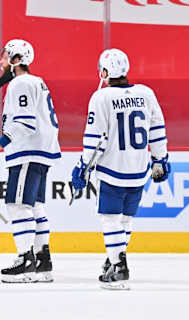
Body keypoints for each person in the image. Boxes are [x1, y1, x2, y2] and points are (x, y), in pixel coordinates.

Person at [71, 48, 170, 290]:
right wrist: (160, 158)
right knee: (126, 219)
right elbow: (157, 128)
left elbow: (94, 138)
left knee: (109, 219)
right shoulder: (146, 93)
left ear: (105, 72)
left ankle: (118, 265)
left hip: (112, 169)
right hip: (139, 169)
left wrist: (83, 166)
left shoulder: (101, 97)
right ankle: (114, 258)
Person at [0, 39, 61, 283]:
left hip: (28, 152)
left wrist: (0, 143)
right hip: (41, 151)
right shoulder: (36, 82)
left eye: (5, 56)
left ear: (17, 59)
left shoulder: (20, 83)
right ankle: (42, 260)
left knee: (17, 205)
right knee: (35, 204)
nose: (1, 61)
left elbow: (25, 123)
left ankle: (26, 261)